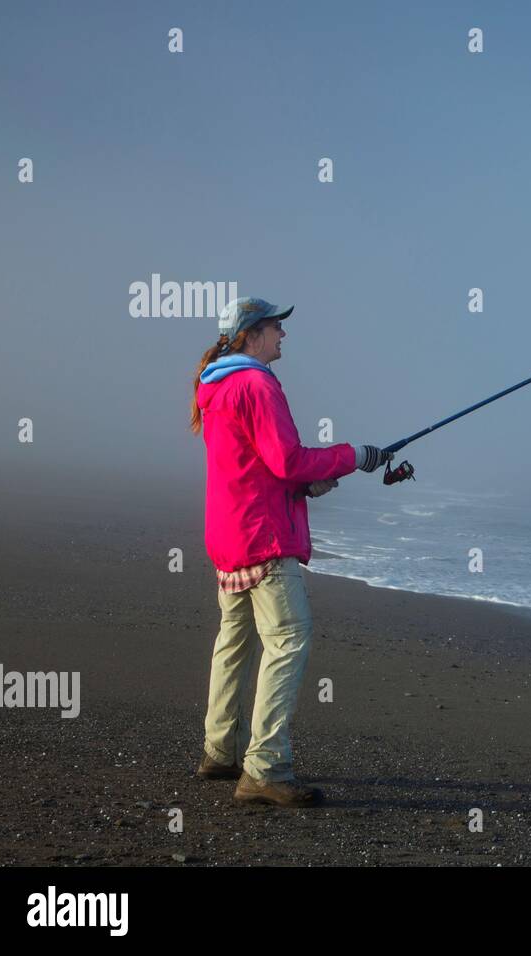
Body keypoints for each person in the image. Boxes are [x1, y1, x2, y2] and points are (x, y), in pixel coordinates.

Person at [189, 297, 391, 807]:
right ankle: (265, 768)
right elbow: (288, 458)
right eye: (277, 326)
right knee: (288, 641)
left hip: (231, 535)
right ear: (253, 334)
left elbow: (255, 465)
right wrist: (354, 456)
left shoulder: (216, 384)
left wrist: (309, 485)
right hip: (262, 541)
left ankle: (220, 751)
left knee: (234, 643)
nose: (284, 334)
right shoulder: (256, 383)